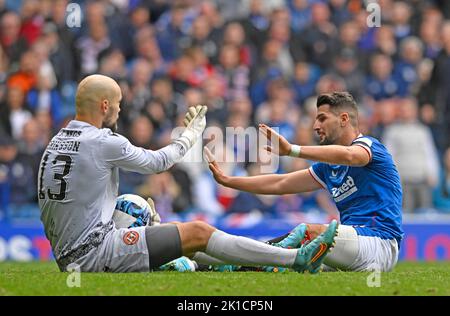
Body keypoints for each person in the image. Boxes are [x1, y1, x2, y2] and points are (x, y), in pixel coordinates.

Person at [37, 74, 337, 273]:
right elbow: (157, 162)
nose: (118, 111)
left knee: (137, 204)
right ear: (104, 106)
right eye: (117, 105)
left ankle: (227, 262)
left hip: (67, 252)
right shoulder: (101, 141)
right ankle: (295, 259)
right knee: (198, 231)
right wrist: (190, 136)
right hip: (91, 253)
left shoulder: (56, 142)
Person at [208, 92, 403, 272]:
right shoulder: (327, 167)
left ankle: (235, 262)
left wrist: (292, 150)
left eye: (322, 118)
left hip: (380, 242)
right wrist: (229, 181)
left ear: (344, 119)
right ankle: (212, 264)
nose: (316, 126)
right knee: (289, 258)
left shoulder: (369, 146)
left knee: (308, 234)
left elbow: (351, 156)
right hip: (350, 246)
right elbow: (280, 183)